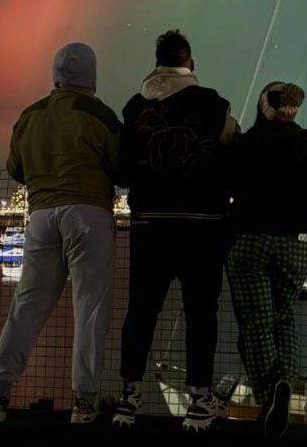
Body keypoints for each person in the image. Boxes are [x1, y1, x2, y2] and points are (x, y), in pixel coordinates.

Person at [0, 42, 123, 425]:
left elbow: (15, 167)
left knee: (26, 306)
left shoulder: (30, 115)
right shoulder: (99, 114)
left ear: (55, 74)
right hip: (88, 214)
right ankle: (84, 400)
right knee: (90, 307)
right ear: (91, 75)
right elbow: (121, 166)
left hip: (42, 215)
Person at [113, 29, 238, 432]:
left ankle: (128, 397)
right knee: (201, 312)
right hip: (203, 225)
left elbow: (123, 168)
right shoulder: (213, 104)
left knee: (141, 309)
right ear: (191, 63)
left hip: (149, 224)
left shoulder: (134, 108)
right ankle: (200, 400)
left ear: (156, 63)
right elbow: (231, 153)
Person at [225, 81, 307, 440]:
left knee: (256, 324)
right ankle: (284, 382)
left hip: (251, 241)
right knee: (283, 317)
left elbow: (230, 182)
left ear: (263, 106)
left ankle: (270, 395)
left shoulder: (247, 143)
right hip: (294, 245)